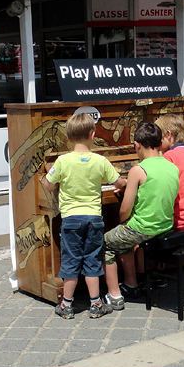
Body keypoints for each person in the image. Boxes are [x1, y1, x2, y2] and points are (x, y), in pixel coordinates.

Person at [41, 113, 127, 319]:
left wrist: (50, 177)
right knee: (92, 260)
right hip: (94, 219)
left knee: (70, 261)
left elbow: (47, 183)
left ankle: (66, 305)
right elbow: (119, 182)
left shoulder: (62, 161)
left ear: (68, 137)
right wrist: (126, 182)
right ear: (93, 134)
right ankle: (96, 303)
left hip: (71, 219)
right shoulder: (100, 160)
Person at [104, 122, 179, 310]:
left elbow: (124, 210)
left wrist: (123, 221)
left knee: (105, 243)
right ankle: (131, 284)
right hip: (165, 224)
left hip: (143, 228)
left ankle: (115, 295)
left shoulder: (138, 170)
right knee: (122, 240)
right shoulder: (171, 166)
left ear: (137, 145)